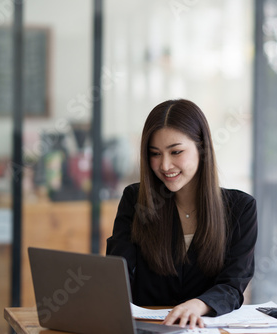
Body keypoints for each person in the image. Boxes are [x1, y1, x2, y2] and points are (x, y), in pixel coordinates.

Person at [106, 99, 257, 329]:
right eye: (155, 153)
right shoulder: (134, 200)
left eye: (176, 151)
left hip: (204, 328)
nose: (165, 165)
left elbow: (233, 285)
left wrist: (198, 305)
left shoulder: (241, 208)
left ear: (202, 148)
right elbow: (118, 273)